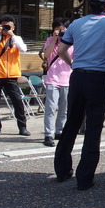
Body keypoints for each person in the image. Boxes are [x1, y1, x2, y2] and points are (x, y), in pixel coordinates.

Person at [53, 0, 105, 190]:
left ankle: (62, 171)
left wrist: (74, 64)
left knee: (71, 122)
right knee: (93, 128)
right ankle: (84, 178)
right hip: (99, 79)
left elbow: (62, 50)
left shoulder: (76, 24)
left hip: (77, 77)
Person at [0, 15, 30, 136]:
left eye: (8, 26)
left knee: (17, 101)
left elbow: (23, 49)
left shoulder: (16, 38)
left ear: (13, 27)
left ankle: (22, 127)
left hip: (11, 75)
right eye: (4, 26)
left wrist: (12, 36)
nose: (6, 29)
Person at [41, 17, 73, 147]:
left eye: (63, 29)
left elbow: (75, 58)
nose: (60, 32)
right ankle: (49, 134)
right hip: (52, 79)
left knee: (64, 109)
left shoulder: (72, 42)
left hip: (67, 79)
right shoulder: (50, 40)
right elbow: (47, 55)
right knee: (50, 109)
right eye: (57, 29)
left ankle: (60, 130)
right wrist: (54, 39)